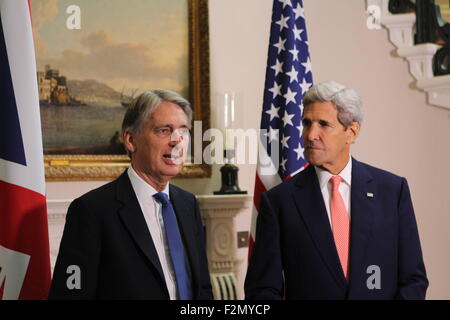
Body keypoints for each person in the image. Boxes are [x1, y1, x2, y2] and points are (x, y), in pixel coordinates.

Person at [245, 81, 428, 300]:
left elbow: (413, 280)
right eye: (306, 123)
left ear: (351, 132)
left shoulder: (392, 191)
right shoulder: (279, 202)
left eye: (323, 124)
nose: (311, 134)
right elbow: (262, 291)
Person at [49, 89, 213, 300]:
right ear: (130, 140)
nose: (176, 141)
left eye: (183, 131)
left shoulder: (188, 204)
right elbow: (70, 296)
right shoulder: (92, 210)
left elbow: (202, 289)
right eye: (164, 130)